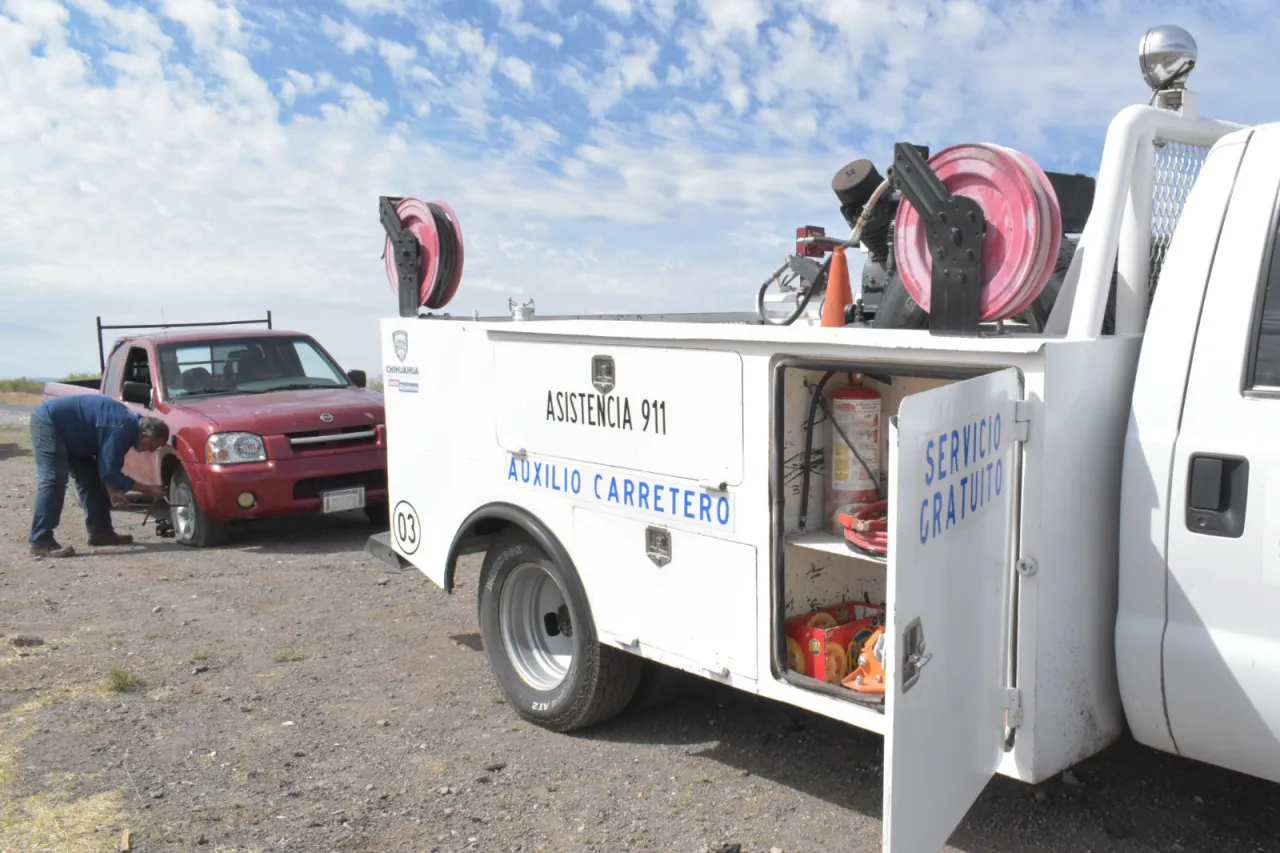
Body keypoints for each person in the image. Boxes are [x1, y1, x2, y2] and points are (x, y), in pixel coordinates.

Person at [28, 394, 170, 558]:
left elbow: (106, 467)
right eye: (152, 446)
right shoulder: (123, 428)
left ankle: (101, 534)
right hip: (51, 423)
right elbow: (110, 472)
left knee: (91, 479)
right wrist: (148, 489)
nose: (151, 451)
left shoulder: (128, 426)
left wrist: (112, 491)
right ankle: (40, 541)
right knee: (53, 480)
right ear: (144, 434)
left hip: (76, 437)